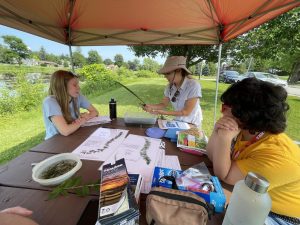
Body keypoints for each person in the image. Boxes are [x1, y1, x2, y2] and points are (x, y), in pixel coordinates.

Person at [206, 78, 300, 224]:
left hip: (280, 217)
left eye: (225, 107)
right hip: (250, 200)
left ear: (246, 115)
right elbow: (212, 155)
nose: (222, 111)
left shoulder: (276, 154)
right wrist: (217, 131)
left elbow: (225, 175)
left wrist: (224, 140)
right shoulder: (248, 131)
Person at [143, 56, 203, 127]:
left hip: (192, 123)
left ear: (179, 71)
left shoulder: (193, 85)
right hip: (178, 121)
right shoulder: (169, 86)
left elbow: (186, 112)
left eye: (168, 73)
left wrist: (164, 113)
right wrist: (149, 106)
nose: (165, 76)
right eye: (165, 74)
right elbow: (163, 104)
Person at [43, 70, 99, 140]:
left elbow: (95, 112)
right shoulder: (50, 102)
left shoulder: (77, 97)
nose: (79, 88)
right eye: (75, 85)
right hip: (55, 142)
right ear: (62, 87)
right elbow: (65, 131)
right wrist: (83, 120)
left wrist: (86, 117)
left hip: (73, 135)